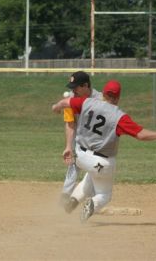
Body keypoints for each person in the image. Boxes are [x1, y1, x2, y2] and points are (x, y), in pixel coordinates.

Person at [52, 80, 156, 223]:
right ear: (118, 98)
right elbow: (141, 135)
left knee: (90, 177)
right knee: (104, 194)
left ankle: (73, 201)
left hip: (81, 156)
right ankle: (92, 204)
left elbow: (66, 102)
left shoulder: (87, 102)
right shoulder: (119, 117)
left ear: (103, 94)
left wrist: (56, 107)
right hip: (102, 162)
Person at [59, 71, 103, 209]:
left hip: (97, 141)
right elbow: (70, 124)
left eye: (76, 87)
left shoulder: (100, 100)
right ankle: (65, 197)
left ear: (86, 86)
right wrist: (68, 146)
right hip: (79, 139)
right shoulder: (70, 101)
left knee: (96, 169)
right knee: (73, 165)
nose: (73, 91)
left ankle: (94, 201)